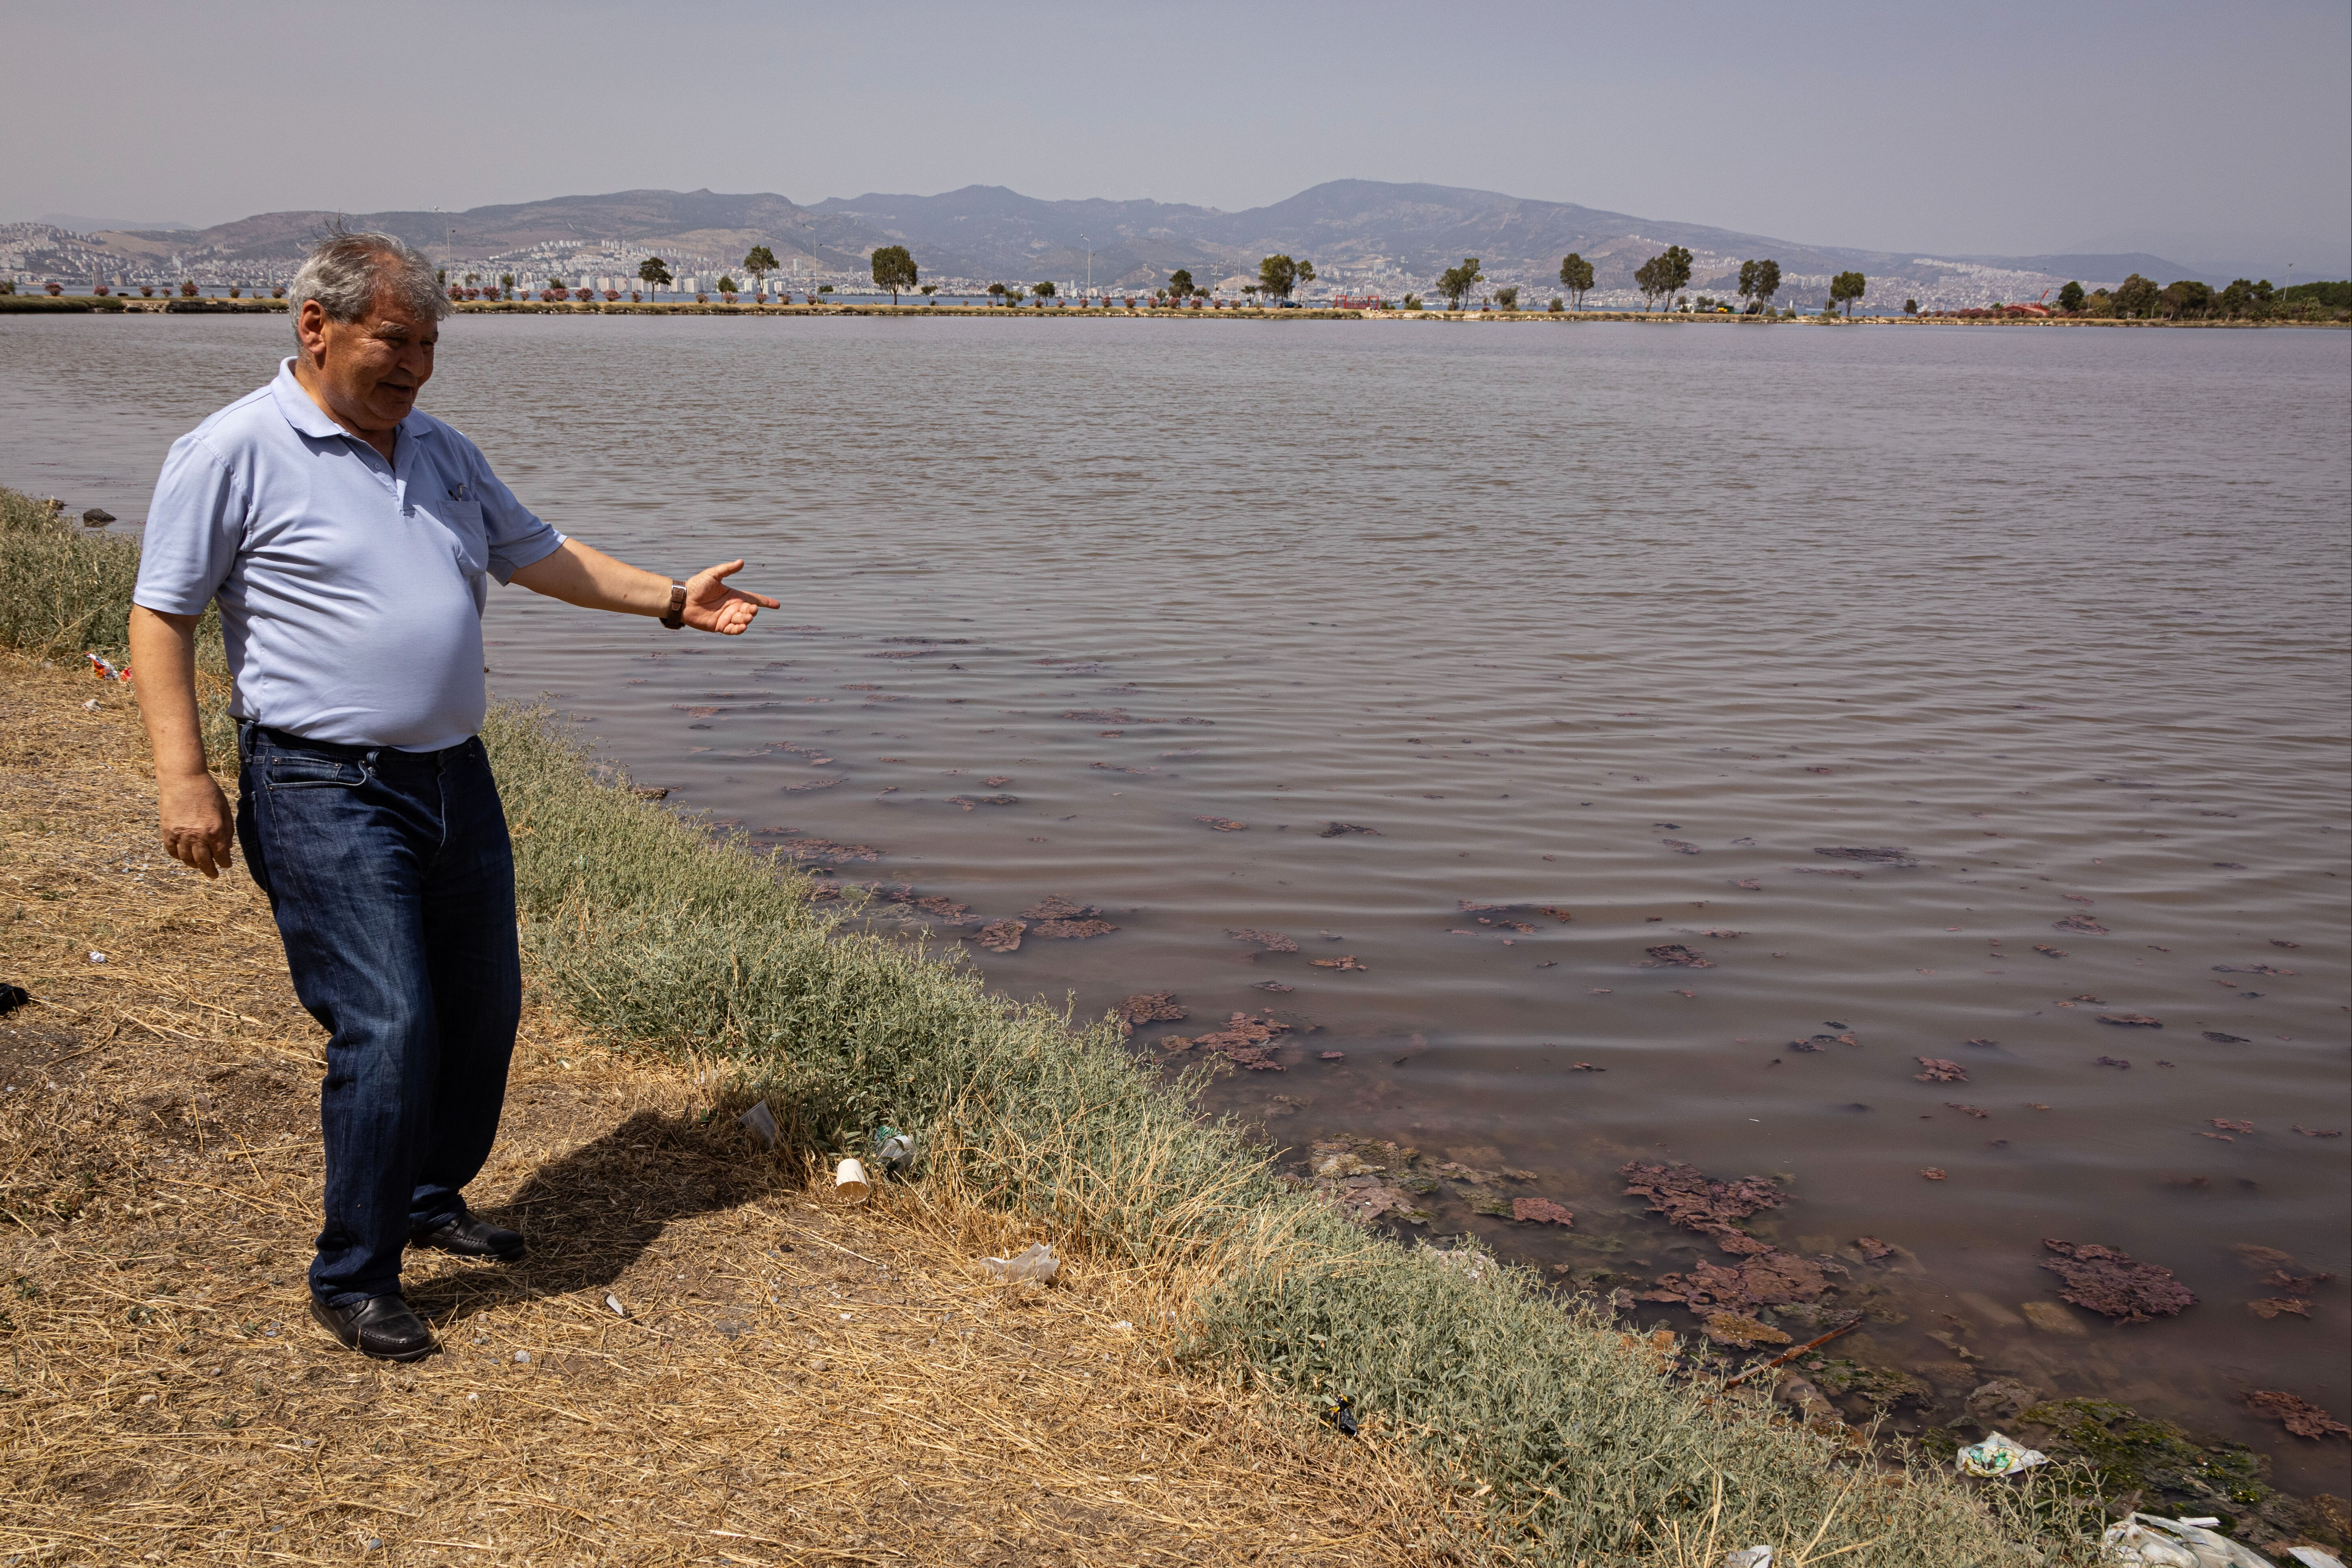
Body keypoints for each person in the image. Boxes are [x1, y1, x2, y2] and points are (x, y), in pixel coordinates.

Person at [126, 228, 777, 1362]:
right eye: (395, 341)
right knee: (388, 1018)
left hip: (452, 778)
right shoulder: (231, 448)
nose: (416, 365)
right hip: (320, 780)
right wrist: (183, 776)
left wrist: (673, 599)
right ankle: (354, 1272)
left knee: (480, 1010)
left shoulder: (438, 449)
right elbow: (162, 615)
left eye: (429, 343)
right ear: (315, 328)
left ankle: (425, 1193)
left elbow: (536, 555)